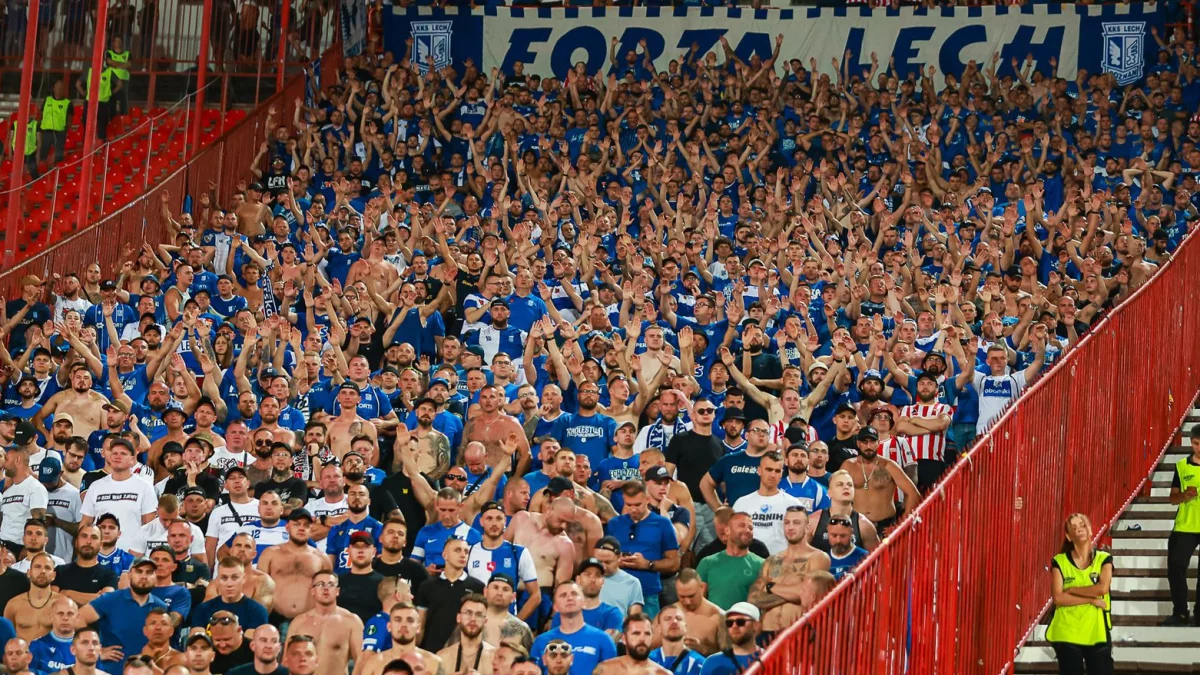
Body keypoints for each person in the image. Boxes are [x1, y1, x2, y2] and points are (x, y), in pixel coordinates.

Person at [746, 508, 830, 642]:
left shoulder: (818, 557)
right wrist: (794, 591)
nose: (790, 527)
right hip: (766, 631)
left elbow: (809, 593)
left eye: (796, 522)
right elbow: (753, 598)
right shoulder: (772, 560)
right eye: (787, 522)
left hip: (796, 631)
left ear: (807, 527)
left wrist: (769, 587)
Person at [75, 557, 168, 675]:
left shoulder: (160, 606)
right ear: (129, 575)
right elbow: (78, 619)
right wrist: (96, 650)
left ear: (155, 576)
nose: (144, 576)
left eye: (149, 572)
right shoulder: (110, 599)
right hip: (111, 671)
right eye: (139, 571)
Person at [1046, 514, 1113, 675]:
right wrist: (1091, 600)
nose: (1079, 530)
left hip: (1096, 630)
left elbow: (1102, 588)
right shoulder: (1060, 561)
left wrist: (1072, 590)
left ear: (1090, 530)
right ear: (1069, 536)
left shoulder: (1104, 559)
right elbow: (1058, 598)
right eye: (1074, 528)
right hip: (1067, 629)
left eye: (1082, 525)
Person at [602, 482, 679, 618]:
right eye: (629, 505)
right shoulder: (614, 524)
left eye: (637, 505)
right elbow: (602, 558)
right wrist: (616, 562)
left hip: (648, 594)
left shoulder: (663, 524)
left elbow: (674, 563)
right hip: (617, 593)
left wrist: (647, 564)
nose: (633, 510)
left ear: (647, 499)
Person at [256, 509, 331, 627]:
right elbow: (260, 589)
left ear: (311, 529)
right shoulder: (270, 554)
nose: (301, 528)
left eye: (306, 525)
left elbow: (329, 593)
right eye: (296, 524)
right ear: (287, 527)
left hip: (310, 622)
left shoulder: (321, 558)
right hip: (274, 620)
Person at [840, 427, 921, 534]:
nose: (869, 446)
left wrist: (901, 524)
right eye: (865, 442)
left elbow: (913, 494)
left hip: (884, 526)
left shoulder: (889, 466)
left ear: (878, 443)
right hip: (856, 525)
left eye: (872, 442)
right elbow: (837, 495)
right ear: (858, 444)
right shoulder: (848, 465)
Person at [285, 571, 363, 675]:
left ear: (337, 591)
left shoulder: (351, 621)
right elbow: (286, 663)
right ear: (312, 591)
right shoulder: (298, 622)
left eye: (330, 584)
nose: (326, 588)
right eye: (320, 584)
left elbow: (361, 663)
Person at [529, 583, 616, 675]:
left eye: (574, 594)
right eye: (563, 595)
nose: (569, 598)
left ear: (584, 602)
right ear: (555, 606)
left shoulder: (603, 639)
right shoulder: (540, 641)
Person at [414, 537, 483, 652]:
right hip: (430, 651)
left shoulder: (477, 587)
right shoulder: (427, 586)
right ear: (445, 555)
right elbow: (420, 625)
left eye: (466, 552)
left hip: (462, 653)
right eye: (457, 550)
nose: (463, 555)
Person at [1162, 424, 1200, 626]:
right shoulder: (1181, 466)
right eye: (1196, 443)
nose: (1199, 448)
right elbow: (1172, 498)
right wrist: (1185, 495)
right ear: (1191, 442)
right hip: (1185, 525)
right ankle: (1180, 612)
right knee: (1176, 568)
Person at [731, 452, 801, 554]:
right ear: (759, 470)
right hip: (749, 560)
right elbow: (733, 537)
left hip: (782, 561)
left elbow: (800, 538)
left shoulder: (793, 504)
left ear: (781, 473)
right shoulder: (742, 503)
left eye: (777, 471)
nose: (773, 475)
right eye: (769, 469)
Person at [696, 511, 763, 611]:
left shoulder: (762, 565)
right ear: (727, 530)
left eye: (750, 528)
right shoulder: (707, 563)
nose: (747, 530)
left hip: (746, 619)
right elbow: (698, 601)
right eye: (742, 525)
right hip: (715, 619)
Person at [351, 603, 441, 675]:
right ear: (389, 626)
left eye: (410, 620)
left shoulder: (433, 663)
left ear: (418, 628)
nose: (403, 624)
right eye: (398, 620)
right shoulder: (373, 663)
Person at [5, 550, 59, 641]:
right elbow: (7, 639)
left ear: (53, 575)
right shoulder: (13, 605)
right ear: (29, 573)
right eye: (38, 567)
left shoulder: (62, 604)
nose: (42, 571)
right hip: (24, 649)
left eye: (47, 568)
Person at [434, 594, 494, 675]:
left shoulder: (495, 657)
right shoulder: (442, 657)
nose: (473, 619)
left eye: (479, 615)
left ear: (485, 621)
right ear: (458, 618)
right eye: (468, 613)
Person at [672, 570, 728, 657]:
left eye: (691, 596)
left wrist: (703, 650)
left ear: (702, 587)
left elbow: (730, 656)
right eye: (682, 596)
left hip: (706, 665)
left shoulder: (719, 616)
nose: (687, 602)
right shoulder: (667, 614)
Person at [697, 603, 762, 675]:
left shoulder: (767, 657)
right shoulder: (713, 662)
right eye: (729, 623)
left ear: (756, 625)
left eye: (740, 622)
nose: (734, 626)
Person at [592, 613, 666, 675]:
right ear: (624, 639)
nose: (642, 638)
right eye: (636, 633)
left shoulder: (663, 674)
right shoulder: (605, 670)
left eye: (647, 634)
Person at [649, 604, 707, 675]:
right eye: (668, 618)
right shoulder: (648, 661)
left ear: (685, 627)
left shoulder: (700, 664)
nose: (674, 621)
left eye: (679, 618)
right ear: (659, 628)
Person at [29, 596, 79, 675]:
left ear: (77, 617)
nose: (65, 618)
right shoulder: (37, 646)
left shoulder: (87, 646)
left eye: (70, 614)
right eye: (60, 614)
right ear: (51, 616)